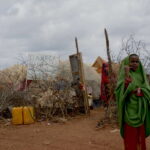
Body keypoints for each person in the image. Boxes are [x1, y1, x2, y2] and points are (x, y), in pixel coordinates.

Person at [115, 54, 150, 150]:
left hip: (140, 111)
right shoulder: (124, 75)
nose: (135, 63)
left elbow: (148, 90)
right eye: (132, 61)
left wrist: (142, 91)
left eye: (137, 61)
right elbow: (119, 92)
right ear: (127, 62)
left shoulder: (141, 75)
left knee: (140, 137)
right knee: (131, 137)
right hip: (129, 110)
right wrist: (126, 74)